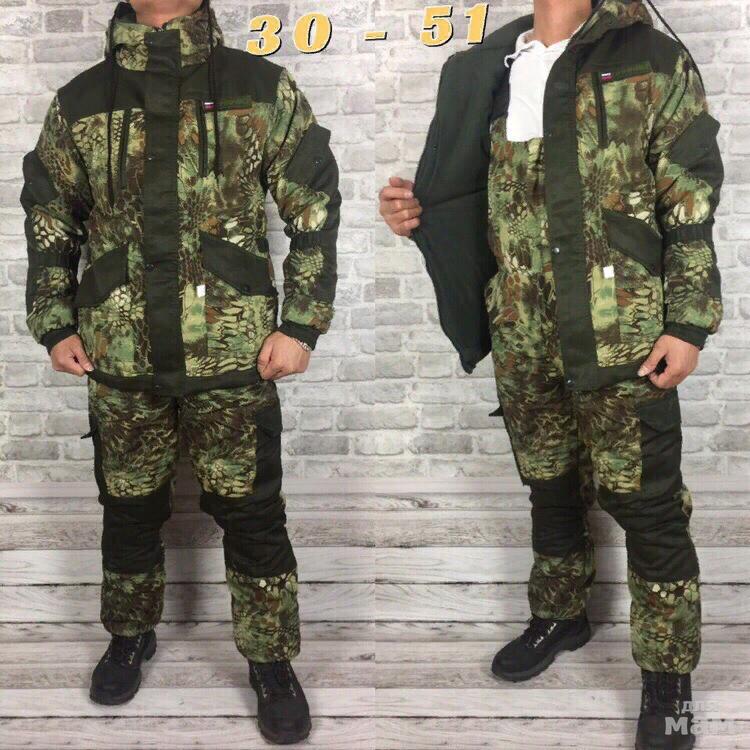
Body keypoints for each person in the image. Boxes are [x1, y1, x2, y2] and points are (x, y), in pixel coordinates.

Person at [379, 1, 722, 748]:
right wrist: (413, 216)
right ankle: (562, 615)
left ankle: (669, 685)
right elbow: (477, 199)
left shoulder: (649, 59)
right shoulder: (489, 67)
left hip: (623, 329)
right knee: (550, 483)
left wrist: (689, 322)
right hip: (521, 326)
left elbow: (689, 197)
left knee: (650, 507)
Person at [21, 0, 340, 744]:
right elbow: (50, 217)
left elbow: (314, 206)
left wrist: (301, 323)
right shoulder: (81, 101)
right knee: (128, 507)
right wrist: (55, 321)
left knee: (252, 512)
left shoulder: (260, 87)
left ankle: (271, 661)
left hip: (232, 352)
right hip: (119, 351)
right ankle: (129, 635)